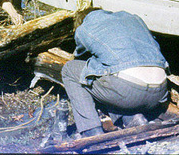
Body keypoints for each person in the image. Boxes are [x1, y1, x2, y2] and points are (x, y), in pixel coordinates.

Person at [62, 8, 169, 138]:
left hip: (128, 91)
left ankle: (91, 131)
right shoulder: (133, 18)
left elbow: (80, 56)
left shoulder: (85, 27)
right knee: (112, 73)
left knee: (71, 69)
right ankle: (132, 118)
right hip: (160, 92)